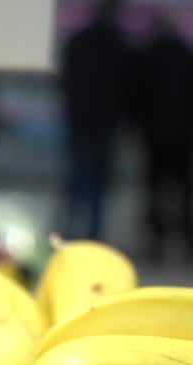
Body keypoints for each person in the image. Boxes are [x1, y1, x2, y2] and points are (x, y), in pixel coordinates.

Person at [134, 16, 193, 263]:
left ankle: (156, 242)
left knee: (155, 191)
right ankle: (189, 243)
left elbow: (135, 94)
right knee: (186, 193)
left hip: (154, 137)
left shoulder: (147, 57)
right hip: (185, 137)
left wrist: (141, 125)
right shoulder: (190, 56)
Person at [60, 0, 133, 241]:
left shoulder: (79, 42)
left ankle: (67, 232)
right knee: (98, 183)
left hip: (80, 119)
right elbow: (127, 89)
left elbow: (65, 80)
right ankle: (93, 236)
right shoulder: (120, 46)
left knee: (76, 178)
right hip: (105, 124)